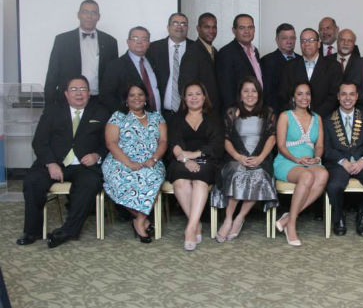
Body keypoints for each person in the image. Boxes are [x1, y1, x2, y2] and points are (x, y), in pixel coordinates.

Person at [17, 76, 109, 248]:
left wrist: (97, 155)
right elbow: (39, 141)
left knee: (91, 182)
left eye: (83, 89)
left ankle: (67, 231)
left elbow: (109, 142)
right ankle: (32, 231)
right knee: (32, 181)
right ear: (66, 94)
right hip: (55, 163)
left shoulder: (101, 112)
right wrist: (50, 163)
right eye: (74, 89)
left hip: (84, 165)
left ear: (89, 93)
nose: (79, 93)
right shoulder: (53, 111)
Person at [211, 77, 278, 243]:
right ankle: (228, 218)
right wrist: (239, 157)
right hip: (236, 157)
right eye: (246, 91)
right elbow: (225, 139)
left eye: (254, 91)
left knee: (259, 176)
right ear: (240, 95)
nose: (250, 94)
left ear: (259, 94)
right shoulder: (232, 112)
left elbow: (272, 137)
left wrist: (260, 158)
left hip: (260, 157)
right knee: (237, 174)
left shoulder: (268, 112)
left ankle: (240, 217)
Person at [102, 84, 167, 243]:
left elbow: (163, 141)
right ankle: (142, 219)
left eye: (140, 94)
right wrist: (129, 163)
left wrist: (154, 159)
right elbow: (111, 143)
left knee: (152, 177)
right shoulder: (118, 116)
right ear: (126, 99)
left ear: (146, 98)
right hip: (120, 160)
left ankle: (139, 221)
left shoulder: (156, 117)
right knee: (121, 178)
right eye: (132, 95)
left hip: (151, 160)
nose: (136, 98)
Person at [323, 82, 363, 236]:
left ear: (357, 96)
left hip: (362, 161)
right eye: (344, 94)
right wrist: (342, 161)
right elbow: (326, 149)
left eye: (351, 94)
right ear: (338, 97)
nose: (347, 98)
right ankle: (339, 217)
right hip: (339, 164)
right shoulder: (327, 120)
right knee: (334, 186)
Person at [168, 81, 224, 250]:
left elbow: (217, 145)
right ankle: (196, 224)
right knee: (180, 181)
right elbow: (174, 144)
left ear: (204, 96)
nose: (194, 98)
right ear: (184, 98)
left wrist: (194, 155)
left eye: (198, 94)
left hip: (208, 160)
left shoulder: (214, 117)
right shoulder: (176, 118)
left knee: (200, 180)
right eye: (190, 94)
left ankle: (190, 228)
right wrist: (185, 159)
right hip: (181, 161)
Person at [273, 82, 329, 246]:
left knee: (323, 174)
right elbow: (281, 146)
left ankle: (289, 216)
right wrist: (296, 159)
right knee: (306, 176)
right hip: (287, 161)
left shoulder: (317, 118)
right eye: (300, 94)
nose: (304, 97)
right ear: (293, 97)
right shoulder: (285, 116)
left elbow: (319, 146)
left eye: (307, 94)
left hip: (310, 162)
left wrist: (317, 158)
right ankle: (291, 225)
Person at [44, 0, 118, 105]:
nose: (89, 16)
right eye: (85, 12)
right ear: (78, 15)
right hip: (68, 101)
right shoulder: (62, 40)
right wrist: (49, 105)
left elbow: (113, 77)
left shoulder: (110, 42)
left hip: (99, 101)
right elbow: (52, 74)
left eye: (93, 13)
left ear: (98, 17)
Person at [279, 28, 342, 119]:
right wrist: (298, 115)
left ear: (319, 44)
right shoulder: (289, 66)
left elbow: (334, 97)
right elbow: (284, 95)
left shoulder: (333, 67)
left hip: (324, 120)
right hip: (295, 121)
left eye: (311, 40)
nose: (307, 43)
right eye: (303, 41)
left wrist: (313, 117)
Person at [146, 13, 197, 122]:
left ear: (188, 28)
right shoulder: (154, 48)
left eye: (183, 24)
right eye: (175, 23)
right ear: (168, 27)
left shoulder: (196, 49)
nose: (179, 26)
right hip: (160, 114)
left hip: (190, 113)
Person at [100, 26, 161, 113]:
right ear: (128, 42)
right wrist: (125, 115)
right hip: (129, 121)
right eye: (135, 38)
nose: (139, 42)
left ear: (148, 43)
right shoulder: (115, 65)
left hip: (158, 118)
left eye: (144, 39)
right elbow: (106, 96)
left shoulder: (153, 62)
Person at [217, 14, 264, 111]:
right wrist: (233, 112)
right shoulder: (226, 53)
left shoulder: (255, 51)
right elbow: (226, 88)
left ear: (254, 29)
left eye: (250, 27)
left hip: (256, 108)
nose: (247, 31)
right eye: (242, 28)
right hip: (239, 112)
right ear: (234, 30)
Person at [261, 23, 301, 113]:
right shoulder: (266, 61)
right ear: (277, 40)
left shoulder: (302, 60)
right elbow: (267, 93)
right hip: (276, 113)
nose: (289, 41)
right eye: (284, 38)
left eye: (292, 38)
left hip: (301, 112)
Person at [189, 12, 222, 113]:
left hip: (214, 110)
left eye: (214, 27)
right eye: (207, 27)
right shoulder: (192, 52)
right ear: (198, 29)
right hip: (201, 111)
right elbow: (187, 85)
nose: (211, 31)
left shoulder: (214, 51)